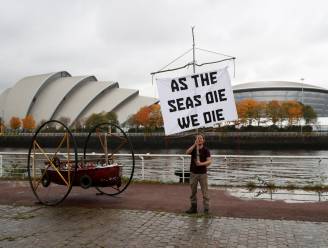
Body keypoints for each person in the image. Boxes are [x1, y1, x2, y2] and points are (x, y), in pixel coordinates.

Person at [185, 134, 212, 214]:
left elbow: (209, 161)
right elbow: (187, 152)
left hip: (203, 174)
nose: (199, 140)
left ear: (203, 140)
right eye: (197, 138)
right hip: (193, 173)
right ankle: (193, 208)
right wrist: (194, 145)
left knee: (205, 192)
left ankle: (206, 209)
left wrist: (201, 164)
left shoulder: (206, 150)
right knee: (193, 192)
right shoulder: (193, 149)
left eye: (201, 138)